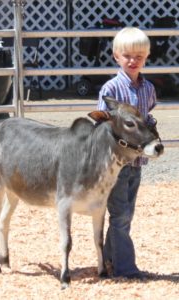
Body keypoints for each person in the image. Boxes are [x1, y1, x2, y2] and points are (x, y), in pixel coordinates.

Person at [97, 27, 157, 279]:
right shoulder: (111, 90)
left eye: (139, 56)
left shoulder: (148, 88)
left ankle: (110, 258)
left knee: (125, 213)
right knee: (120, 214)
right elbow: (103, 125)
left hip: (138, 161)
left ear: (146, 58)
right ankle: (126, 268)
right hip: (116, 164)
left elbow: (147, 116)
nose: (133, 61)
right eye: (128, 56)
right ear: (116, 57)